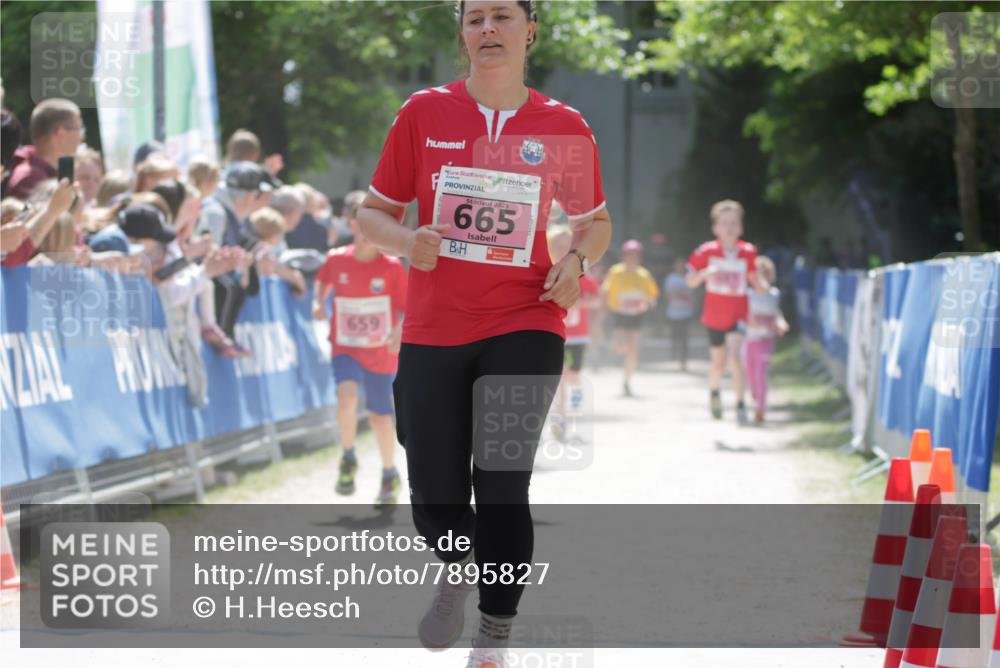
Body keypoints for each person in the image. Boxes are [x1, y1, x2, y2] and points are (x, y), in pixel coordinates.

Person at [356, 2, 612, 664]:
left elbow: (594, 222)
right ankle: (455, 559)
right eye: (475, 19)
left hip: (525, 318)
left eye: (503, 16)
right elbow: (372, 213)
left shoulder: (563, 125)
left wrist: (577, 260)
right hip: (435, 326)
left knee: (502, 478)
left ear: (530, 29)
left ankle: (494, 633)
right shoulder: (423, 112)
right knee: (435, 494)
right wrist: (409, 241)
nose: (488, 30)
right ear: (462, 34)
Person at [313, 193, 407, 507]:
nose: (367, 233)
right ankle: (349, 456)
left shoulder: (392, 268)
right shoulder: (336, 259)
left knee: (381, 418)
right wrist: (317, 303)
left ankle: (388, 473)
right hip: (346, 347)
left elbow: (406, 309)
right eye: (362, 224)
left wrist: (398, 329)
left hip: (379, 352)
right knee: (347, 396)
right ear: (352, 224)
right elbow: (322, 283)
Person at [687, 199, 760, 424]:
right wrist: (704, 274)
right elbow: (690, 281)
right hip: (714, 316)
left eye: (734, 223)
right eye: (724, 223)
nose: (729, 228)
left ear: (741, 227)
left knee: (736, 357)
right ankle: (715, 392)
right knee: (718, 362)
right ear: (715, 228)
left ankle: (740, 405)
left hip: (738, 315)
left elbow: (755, 282)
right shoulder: (706, 252)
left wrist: (762, 288)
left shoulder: (748, 252)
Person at [547, 224, 599, 441]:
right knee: (558, 378)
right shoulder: (546, 271)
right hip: (555, 334)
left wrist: (581, 301)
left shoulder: (580, 272)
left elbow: (596, 298)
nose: (561, 250)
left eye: (566, 245)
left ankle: (574, 413)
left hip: (578, 335)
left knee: (574, 377)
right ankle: (559, 418)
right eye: (557, 246)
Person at [601, 239, 658, 397]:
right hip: (619, 313)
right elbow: (605, 290)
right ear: (624, 256)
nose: (631, 258)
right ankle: (616, 350)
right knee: (620, 345)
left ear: (639, 257)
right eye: (629, 255)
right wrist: (603, 308)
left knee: (633, 350)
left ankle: (627, 379)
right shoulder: (616, 272)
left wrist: (649, 302)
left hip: (636, 315)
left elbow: (653, 296)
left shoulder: (643, 275)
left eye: (635, 255)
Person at [7, 99, 84, 200]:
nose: (81, 137)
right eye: (79, 129)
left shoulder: (43, 172)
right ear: (61, 133)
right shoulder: (30, 178)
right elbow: (25, 215)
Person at [743, 256, 789, 424]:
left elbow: (776, 313)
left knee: (761, 374)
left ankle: (761, 408)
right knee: (750, 376)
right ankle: (756, 397)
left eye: (765, 274)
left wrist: (781, 323)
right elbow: (741, 317)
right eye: (757, 274)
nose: (760, 278)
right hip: (748, 342)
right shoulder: (747, 295)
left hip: (765, 342)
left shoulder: (773, 294)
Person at [664, 256, 695, 370]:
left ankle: (683, 360)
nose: (680, 267)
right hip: (673, 312)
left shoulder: (689, 278)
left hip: (686, 313)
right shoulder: (671, 278)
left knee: (684, 338)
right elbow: (667, 294)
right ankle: (674, 356)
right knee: (675, 336)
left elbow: (693, 295)